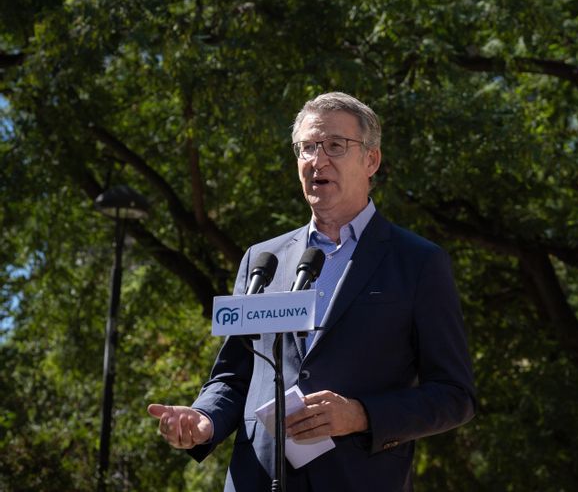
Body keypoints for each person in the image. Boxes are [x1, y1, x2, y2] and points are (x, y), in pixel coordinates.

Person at [147, 92, 476, 491]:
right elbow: (236, 374)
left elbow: (454, 396)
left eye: (335, 146)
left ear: (371, 160)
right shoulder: (262, 259)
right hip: (258, 479)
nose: (317, 160)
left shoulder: (418, 262)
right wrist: (205, 419)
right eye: (306, 148)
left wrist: (361, 415)